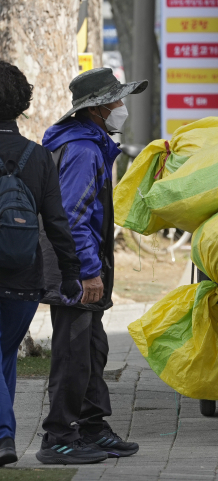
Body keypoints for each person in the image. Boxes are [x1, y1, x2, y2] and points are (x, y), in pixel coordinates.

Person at [36, 68, 147, 465]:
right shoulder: (83, 150)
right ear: (98, 109)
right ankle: (58, 438)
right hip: (75, 268)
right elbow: (73, 215)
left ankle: (93, 428)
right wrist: (87, 271)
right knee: (73, 353)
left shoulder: (90, 142)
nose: (122, 108)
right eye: (117, 101)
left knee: (92, 349)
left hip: (79, 264)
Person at [0, 62, 82, 466]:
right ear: (21, 103)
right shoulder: (38, 157)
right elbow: (57, 224)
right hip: (24, 279)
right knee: (4, 357)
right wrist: (70, 275)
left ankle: (3, 436)